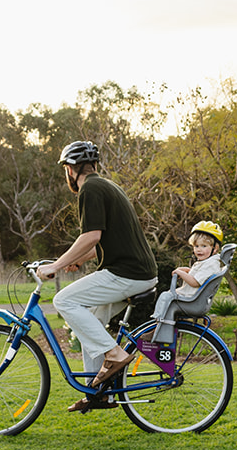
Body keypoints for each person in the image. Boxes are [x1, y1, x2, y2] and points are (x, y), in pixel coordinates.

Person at [38, 140, 159, 413]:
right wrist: (78, 259)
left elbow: (91, 235)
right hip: (139, 272)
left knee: (64, 301)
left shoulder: (89, 189)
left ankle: (115, 355)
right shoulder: (107, 185)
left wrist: (55, 266)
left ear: (70, 168)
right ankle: (98, 392)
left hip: (127, 273)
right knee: (90, 321)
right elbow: (103, 242)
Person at [146, 219, 226, 346]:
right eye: (196, 246)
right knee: (167, 297)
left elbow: (195, 282)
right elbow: (198, 274)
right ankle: (160, 328)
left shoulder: (210, 265)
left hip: (192, 300)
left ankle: (159, 328)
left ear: (214, 248)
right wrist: (187, 270)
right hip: (193, 298)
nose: (199, 250)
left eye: (204, 246)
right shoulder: (208, 262)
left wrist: (180, 273)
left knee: (166, 296)